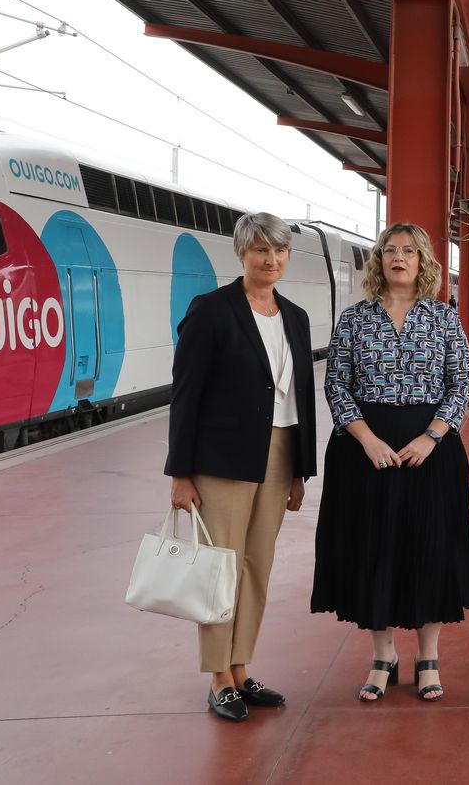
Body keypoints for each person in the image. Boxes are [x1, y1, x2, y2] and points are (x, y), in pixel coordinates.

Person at [311, 222, 469, 704]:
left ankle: (428, 657)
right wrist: (365, 440)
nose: (398, 257)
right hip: (366, 452)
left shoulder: (445, 319)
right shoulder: (354, 319)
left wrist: (431, 437)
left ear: (423, 261)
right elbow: (336, 384)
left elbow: (460, 383)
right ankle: (383, 656)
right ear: (378, 261)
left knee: (430, 548)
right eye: (389, 251)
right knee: (373, 548)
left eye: (409, 251)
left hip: (431, 451)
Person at [166, 212, 317, 723]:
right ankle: (218, 677)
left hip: (278, 453)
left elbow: (301, 396)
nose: (270, 260)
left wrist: (300, 469)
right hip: (221, 458)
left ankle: (241, 667)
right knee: (218, 567)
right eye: (260, 250)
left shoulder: (295, 316)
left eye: (279, 251)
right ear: (242, 254)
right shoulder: (211, 311)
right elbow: (185, 395)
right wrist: (180, 473)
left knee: (257, 566)